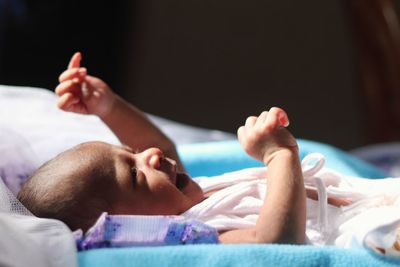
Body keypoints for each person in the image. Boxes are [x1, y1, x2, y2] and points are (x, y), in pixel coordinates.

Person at [17, 52, 307, 245]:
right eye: (134, 175)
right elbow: (274, 241)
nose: (150, 154)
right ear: (122, 229)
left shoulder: (187, 200)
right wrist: (278, 155)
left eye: (133, 152)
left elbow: (163, 145)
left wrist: (109, 107)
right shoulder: (196, 232)